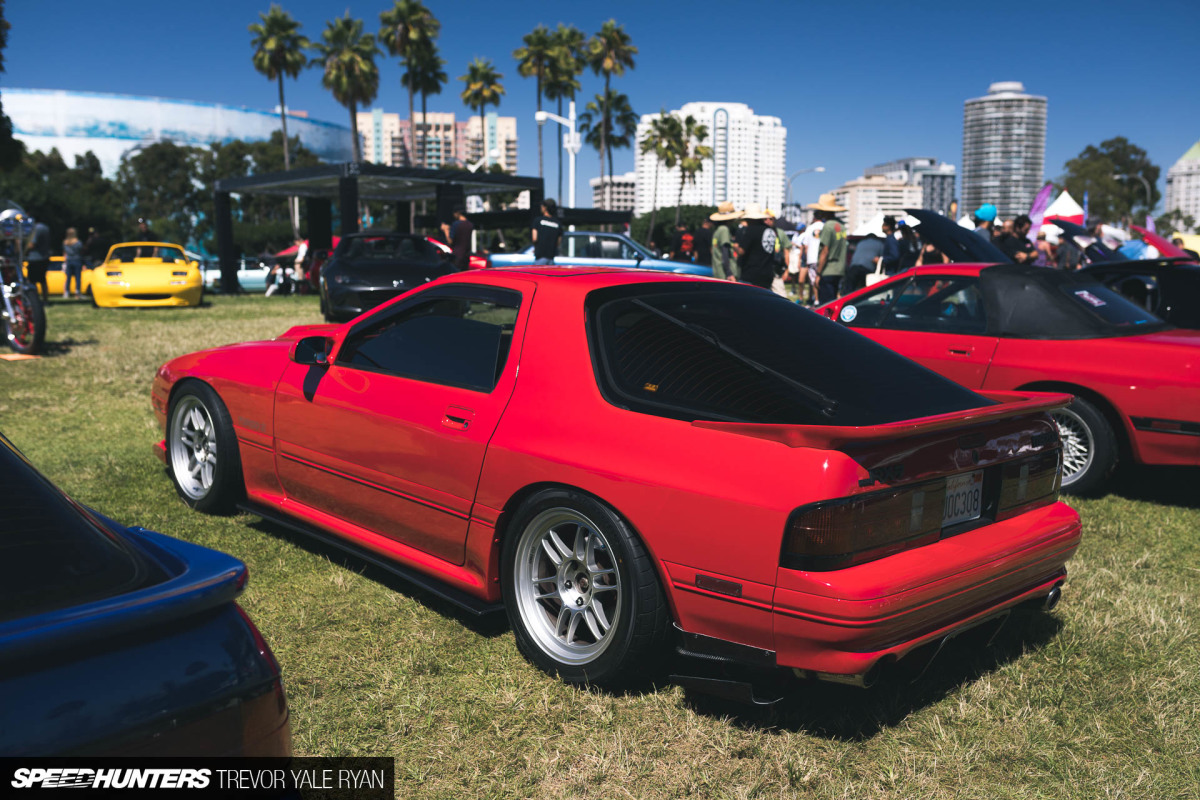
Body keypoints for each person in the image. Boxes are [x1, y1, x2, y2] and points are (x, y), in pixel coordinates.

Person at [808, 193, 848, 303]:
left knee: (826, 304)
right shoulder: (842, 226)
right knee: (834, 300)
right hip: (839, 269)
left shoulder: (828, 226)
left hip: (828, 270)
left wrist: (818, 273)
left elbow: (825, 251)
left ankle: (828, 320)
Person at [735, 203, 778, 289]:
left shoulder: (751, 230)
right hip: (767, 274)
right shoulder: (770, 230)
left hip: (751, 274)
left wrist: (734, 245)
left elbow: (741, 251)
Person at [708, 202, 740, 281]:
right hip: (725, 275)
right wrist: (729, 273)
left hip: (718, 272)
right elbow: (724, 252)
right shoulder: (724, 230)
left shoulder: (718, 230)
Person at [797, 214, 825, 303]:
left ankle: (816, 300)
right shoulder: (825, 227)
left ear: (814, 218)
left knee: (813, 281)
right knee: (821, 279)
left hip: (811, 258)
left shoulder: (809, 228)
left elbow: (806, 246)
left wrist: (806, 258)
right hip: (822, 258)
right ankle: (819, 299)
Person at [26, 220, 51, 301]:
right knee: (42, 280)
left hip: (35, 258)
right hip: (44, 257)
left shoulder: (36, 228)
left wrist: (23, 249)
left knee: (32, 281)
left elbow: (32, 244)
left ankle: (35, 300)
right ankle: (45, 299)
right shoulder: (45, 228)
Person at [531, 198, 562, 265]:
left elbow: (534, 238)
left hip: (540, 256)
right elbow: (558, 242)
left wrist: (535, 247)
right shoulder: (557, 223)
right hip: (551, 257)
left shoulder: (538, 220)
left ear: (545, 207)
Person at [62, 227, 84, 298]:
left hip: (69, 260)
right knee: (78, 277)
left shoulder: (65, 243)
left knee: (68, 277)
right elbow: (81, 251)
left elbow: (65, 253)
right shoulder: (78, 242)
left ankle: (67, 292)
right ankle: (77, 292)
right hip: (77, 260)